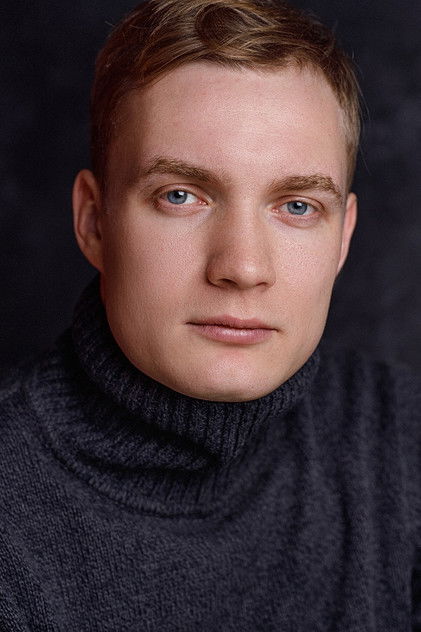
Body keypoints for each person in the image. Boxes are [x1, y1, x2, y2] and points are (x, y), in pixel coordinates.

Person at [0, 0, 419, 629]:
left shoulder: (402, 440)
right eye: (181, 195)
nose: (243, 267)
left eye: (297, 206)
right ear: (93, 222)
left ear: (343, 237)